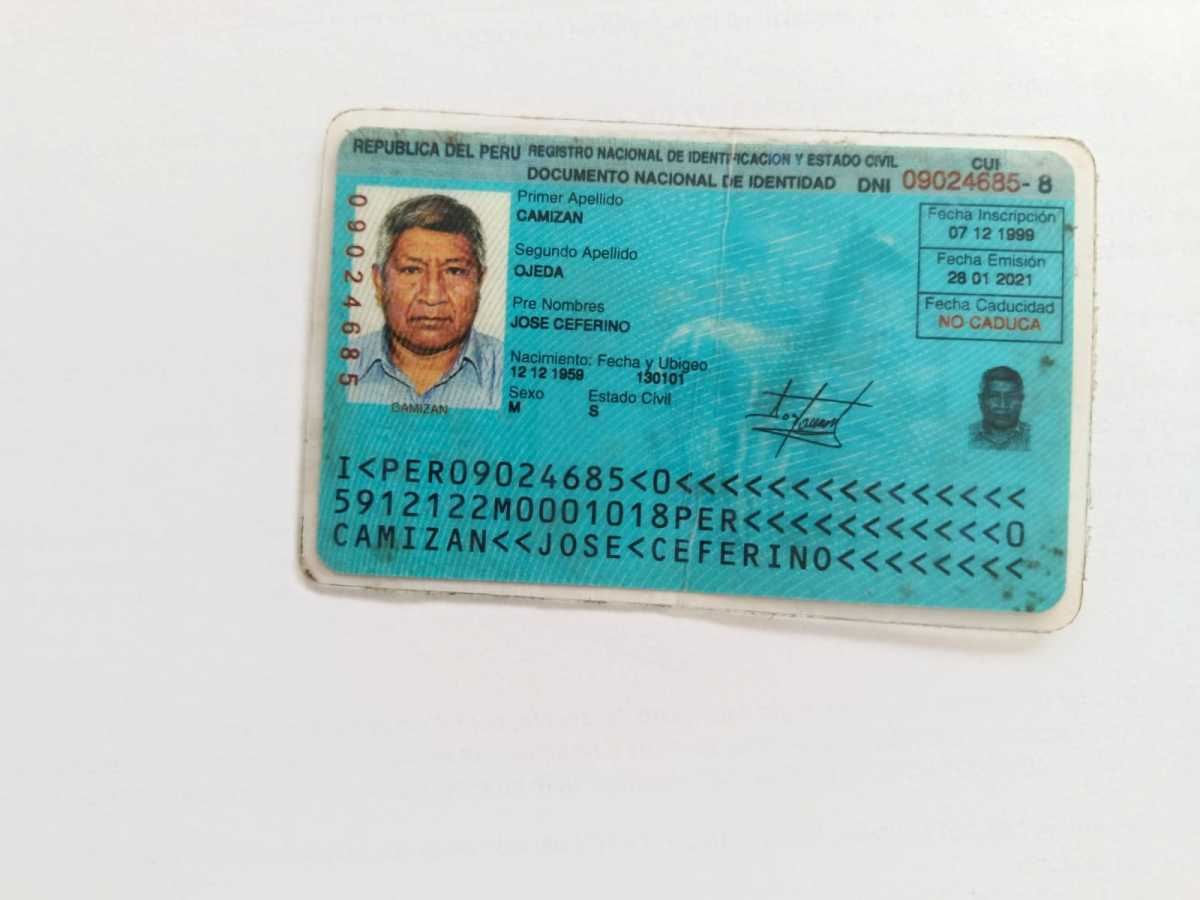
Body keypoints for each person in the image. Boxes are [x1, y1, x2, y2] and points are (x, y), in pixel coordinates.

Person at [346, 194, 502, 408]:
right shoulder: (344, 364)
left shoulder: (508, 368)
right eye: (411, 270)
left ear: (479, 280)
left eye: (454, 271)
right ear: (379, 280)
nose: (432, 297)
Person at [969, 366, 1030, 450]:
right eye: (994, 397)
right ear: (981, 399)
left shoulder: (1034, 435)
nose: (1002, 405)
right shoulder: (966, 434)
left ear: (1021, 399)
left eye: (1010, 397)